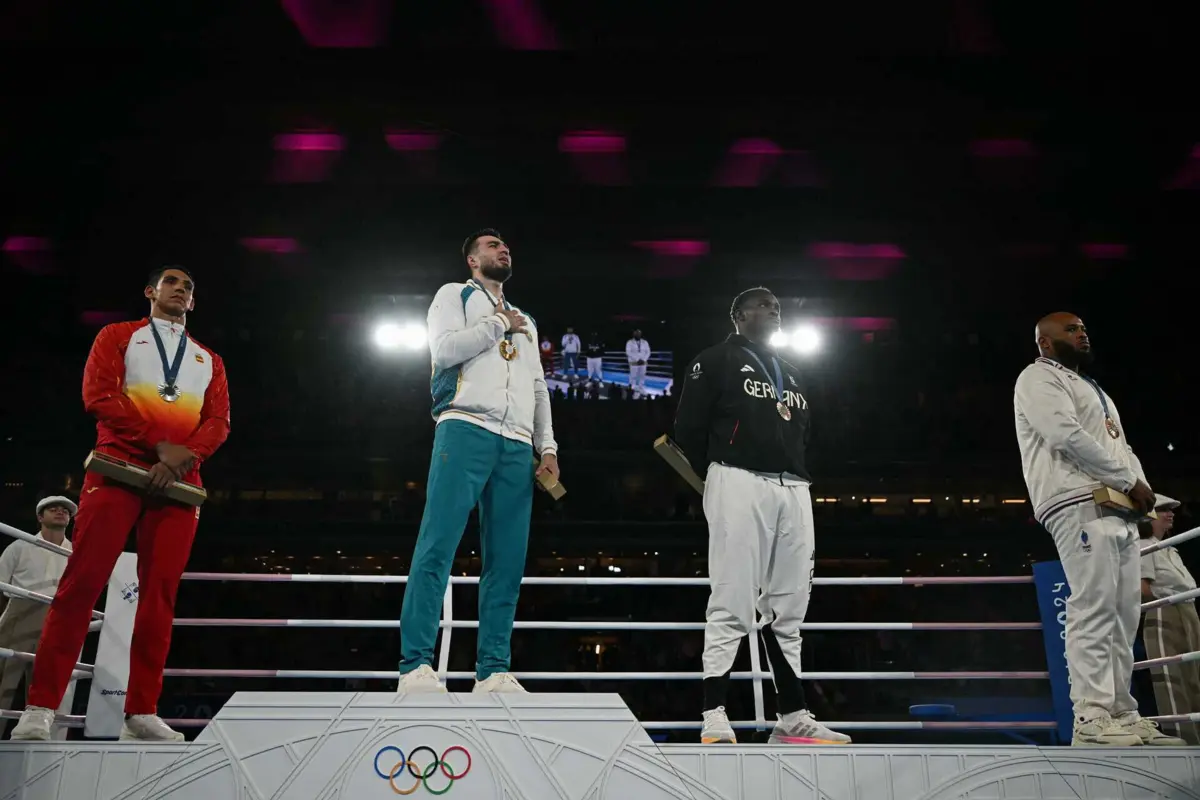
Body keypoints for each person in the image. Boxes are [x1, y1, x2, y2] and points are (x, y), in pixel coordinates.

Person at [11, 266, 231, 742]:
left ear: (193, 303)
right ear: (151, 292)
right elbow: (100, 396)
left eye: (189, 287)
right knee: (81, 585)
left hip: (178, 482)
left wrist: (183, 457)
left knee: (159, 599)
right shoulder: (118, 335)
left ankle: (142, 712)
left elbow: (218, 422)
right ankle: (41, 706)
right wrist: (160, 447)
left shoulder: (208, 359)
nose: (181, 289)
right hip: (118, 468)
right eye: (172, 282)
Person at [673, 286, 849, 746]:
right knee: (732, 596)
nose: (774, 311)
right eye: (763, 305)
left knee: (790, 605)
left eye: (778, 306)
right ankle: (713, 712)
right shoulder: (713, 360)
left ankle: (792, 715)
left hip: (793, 485)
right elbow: (687, 429)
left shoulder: (791, 372)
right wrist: (719, 472)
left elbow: (805, 432)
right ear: (738, 315)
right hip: (737, 479)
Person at [397, 229, 559, 694]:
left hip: (516, 442)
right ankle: (415, 666)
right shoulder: (455, 295)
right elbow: (444, 351)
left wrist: (547, 448)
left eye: (506, 244)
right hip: (465, 426)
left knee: (507, 562)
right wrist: (496, 325)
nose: (503, 248)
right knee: (437, 547)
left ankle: (492, 670)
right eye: (491, 245)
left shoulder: (525, 317)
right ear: (471, 260)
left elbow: (537, 387)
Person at [1014, 311, 1180, 746]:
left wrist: (1146, 501)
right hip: (1076, 499)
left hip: (1116, 504)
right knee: (1095, 604)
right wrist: (1128, 482)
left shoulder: (1093, 388)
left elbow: (1120, 449)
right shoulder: (1037, 378)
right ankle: (1090, 716)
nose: (1082, 333)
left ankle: (1121, 712)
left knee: (1125, 613)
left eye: (1085, 328)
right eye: (1071, 329)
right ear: (1044, 343)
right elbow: (1063, 434)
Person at [0, 496, 77, 739]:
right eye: (52, 509)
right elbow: (2, 586)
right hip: (20, 610)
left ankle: (40, 745)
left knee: (48, 683)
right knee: (4, 680)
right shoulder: (19, 546)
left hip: (61, 615)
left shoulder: (76, 552)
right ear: (40, 517)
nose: (60, 512)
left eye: (64, 510)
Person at [1139, 494, 1200, 744]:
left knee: (1194, 675)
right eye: (1164, 509)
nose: (1171, 513)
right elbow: (1141, 588)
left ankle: (1197, 738)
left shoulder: (1170, 548)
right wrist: (1164, 603)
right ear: (1150, 515)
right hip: (1164, 611)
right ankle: (1183, 739)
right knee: (1171, 676)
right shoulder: (1144, 544)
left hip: (1188, 610)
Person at [625, 329, 650, 397]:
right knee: (633, 376)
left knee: (642, 376)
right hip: (634, 362)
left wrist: (643, 359)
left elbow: (648, 352)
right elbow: (628, 352)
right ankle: (633, 390)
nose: (638, 335)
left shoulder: (645, 342)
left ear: (641, 334)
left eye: (639, 334)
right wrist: (637, 359)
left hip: (643, 362)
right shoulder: (629, 342)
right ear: (634, 334)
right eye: (636, 333)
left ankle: (641, 388)